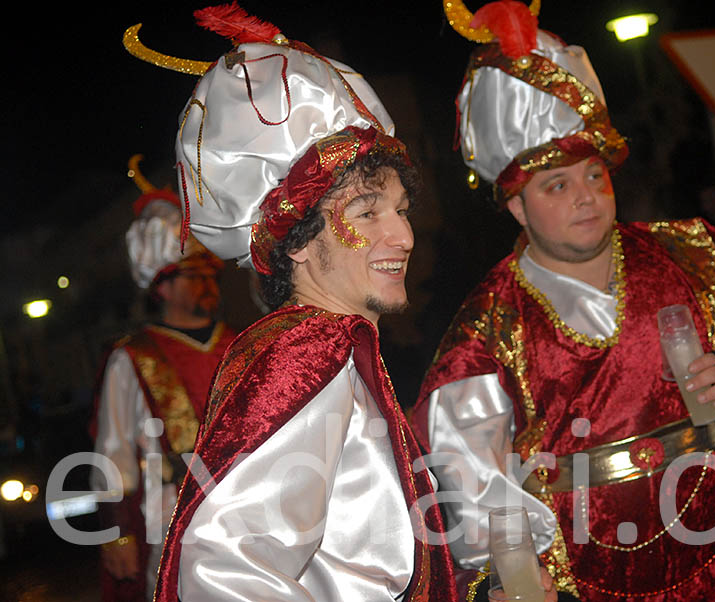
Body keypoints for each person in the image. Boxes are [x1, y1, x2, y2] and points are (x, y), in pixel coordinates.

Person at [412, 2, 715, 600]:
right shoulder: (488, 326)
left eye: (595, 176)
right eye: (558, 185)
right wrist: (513, 576)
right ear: (517, 207)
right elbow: (474, 483)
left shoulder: (686, 257)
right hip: (590, 578)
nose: (587, 198)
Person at [122, 5, 468, 601]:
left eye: (401, 210)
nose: (404, 236)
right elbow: (220, 568)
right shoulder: (309, 353)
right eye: (367, 212)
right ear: (299, 243)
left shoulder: (325, 346)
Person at [90, 156, 235, 601]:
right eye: (196, 276)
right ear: (164, 286)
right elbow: (113, 448)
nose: (208, 285)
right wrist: (116, 532)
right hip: (171, 520)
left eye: (211, 274)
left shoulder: (238, 343)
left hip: (245, 512)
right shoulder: (133, 357)